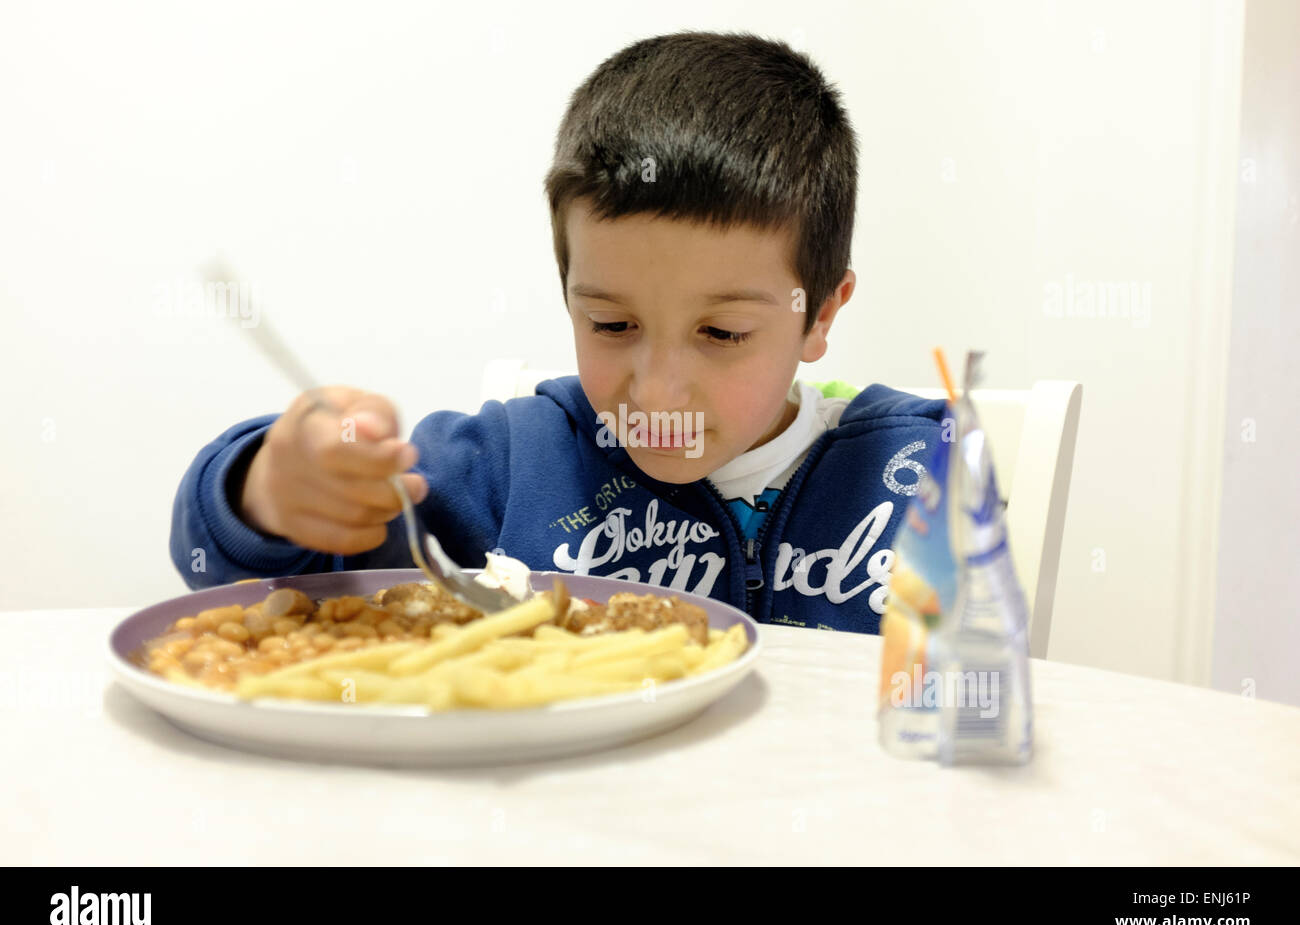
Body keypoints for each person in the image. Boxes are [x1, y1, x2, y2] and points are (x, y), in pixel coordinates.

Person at [170, 31, 946, 633]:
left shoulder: (919, 470)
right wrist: (271, 489)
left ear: (822, 315)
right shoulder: (510, 467)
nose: (658, 388)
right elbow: (243, 568)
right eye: (612, 323)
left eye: (721, 333)